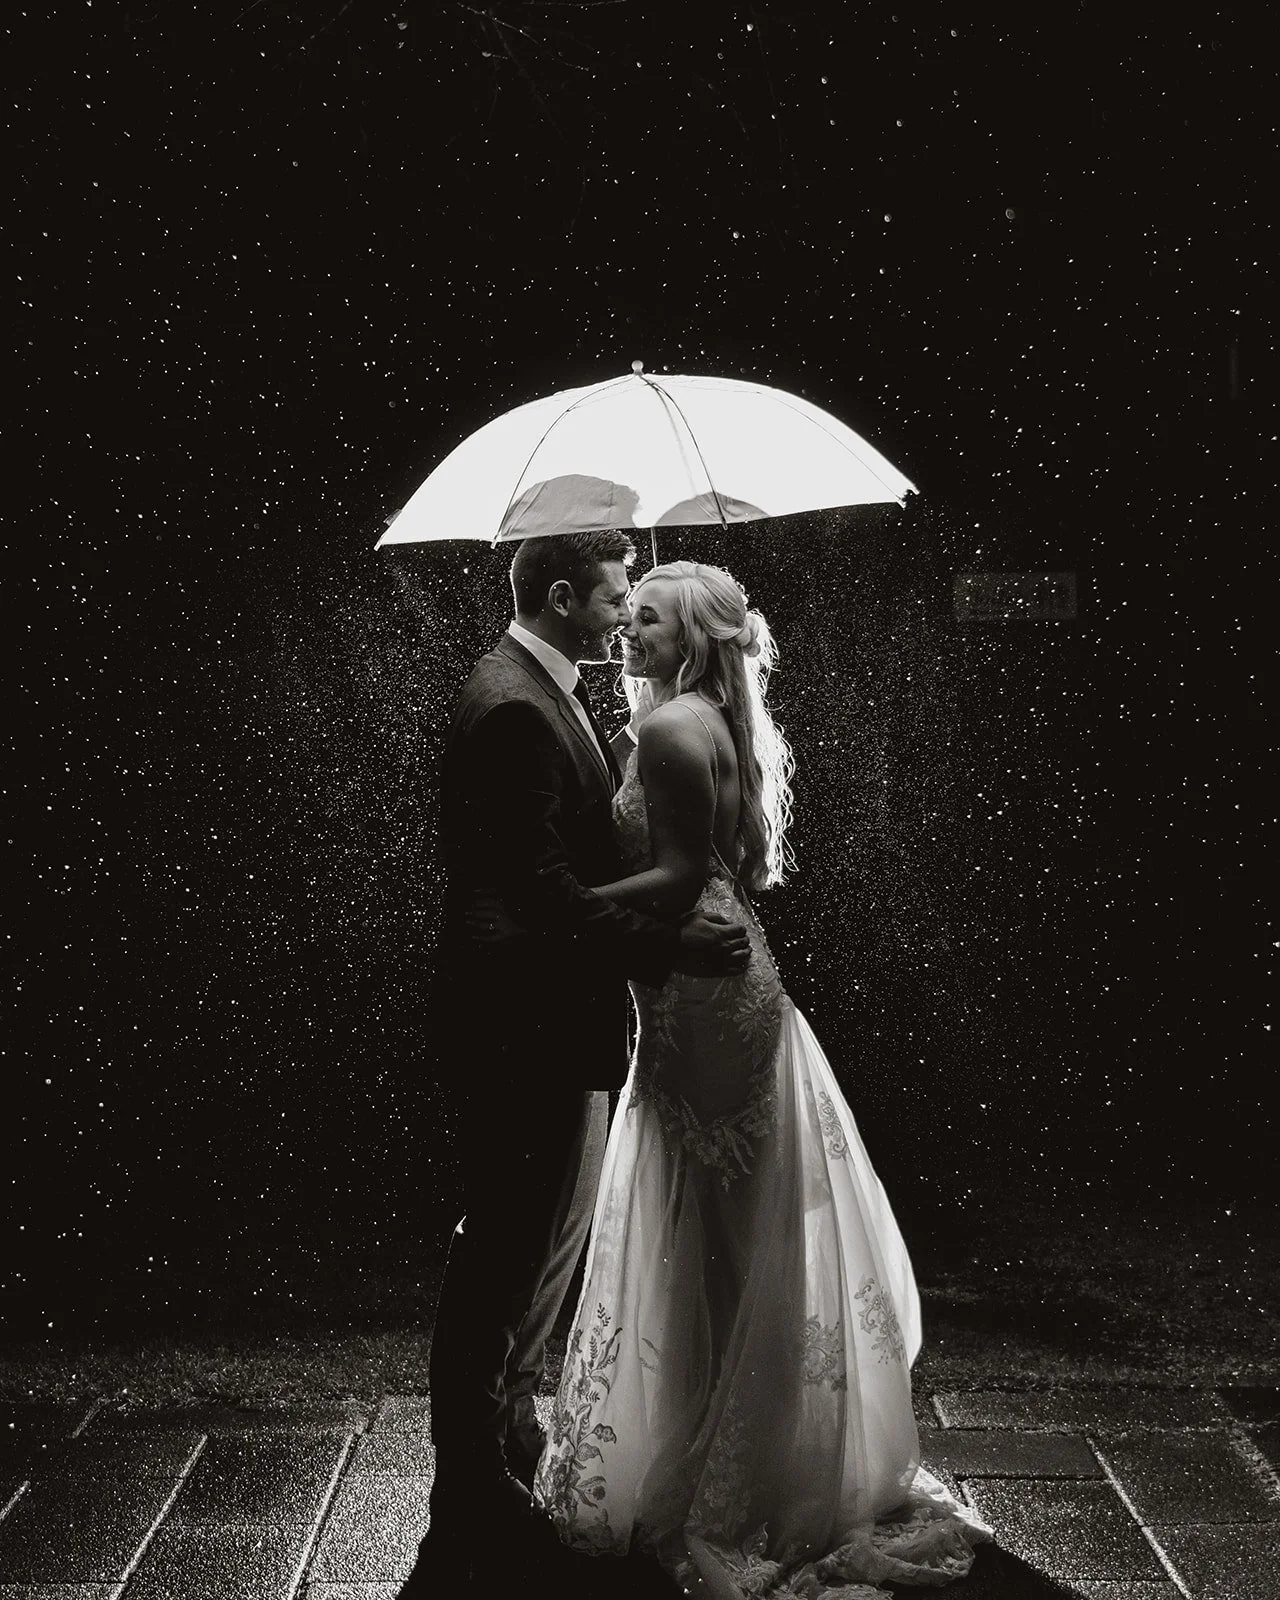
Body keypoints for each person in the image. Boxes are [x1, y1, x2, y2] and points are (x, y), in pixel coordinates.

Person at [533, 561, 993, 1597]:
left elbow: (677, 876)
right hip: (712, 983)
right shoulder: (700, 717)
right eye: (628, 611)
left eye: (645, 619)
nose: (626, 631)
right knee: (735, 1231)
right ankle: (757, 1445)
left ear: (692, 638)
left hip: (704, 1001)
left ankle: (733, 1476)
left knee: (719, 1233)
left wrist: (560, 901)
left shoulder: (665, 729)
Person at [398, 533, 751, 1597]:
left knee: (531, 1245)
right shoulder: (511, 703)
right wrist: (664, 945)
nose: (619, 618)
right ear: (562, 596)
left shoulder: (537, 690)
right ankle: (469, 1487)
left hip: (546, 1018)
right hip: (518, 1024)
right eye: (610, 599)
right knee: (502, 1249)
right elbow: (538, 889)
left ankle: (503, 1434)